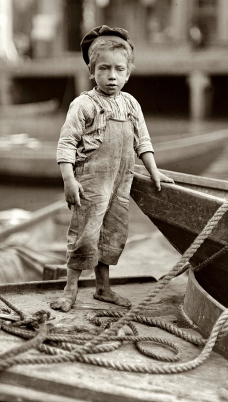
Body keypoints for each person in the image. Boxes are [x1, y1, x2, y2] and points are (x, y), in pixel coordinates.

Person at [51, 25, 174, 312]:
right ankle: (70, 290)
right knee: (85, 234)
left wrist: (154, 170)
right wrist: (69, 179)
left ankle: (103, 288)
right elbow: (66, 143)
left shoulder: (131, 104)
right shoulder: (84, 104)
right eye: (104, 69)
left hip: (121, 182)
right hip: (91, 183)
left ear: (128, 73)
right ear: (92, 71)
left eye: (119, 69)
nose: (112, 76)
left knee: (113, 234)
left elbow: (143, 140)